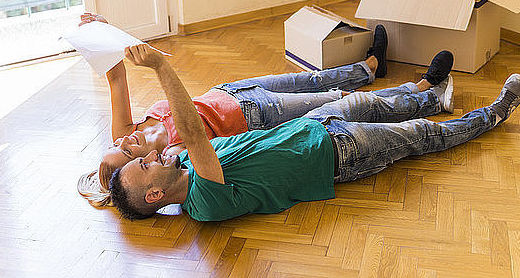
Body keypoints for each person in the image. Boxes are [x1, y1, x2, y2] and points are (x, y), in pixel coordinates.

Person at [106, 44, 520, 222]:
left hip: (315, 124)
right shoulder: (203, 203)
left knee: (388, 104)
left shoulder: (177, 163)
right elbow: (196, 136)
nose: (145, 156)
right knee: (421, 135)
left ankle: (434, 91)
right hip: (338, 155)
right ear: (155, 196)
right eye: (142, 165)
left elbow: (186, 140)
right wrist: (162, 67)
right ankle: (495, 113)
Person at [77, 12, 403, 205]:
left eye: (115, 143)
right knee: (334, 99)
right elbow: (193, 137)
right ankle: (401, 98)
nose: (123, 141)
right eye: (126, 152)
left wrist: (100, 28)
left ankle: (370, 68)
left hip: (231, 92)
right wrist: (159, 67)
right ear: (138, 166)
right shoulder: (176, 154)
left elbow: (116, 77)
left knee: (310, 78)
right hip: (254, 115)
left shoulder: (125, 132)